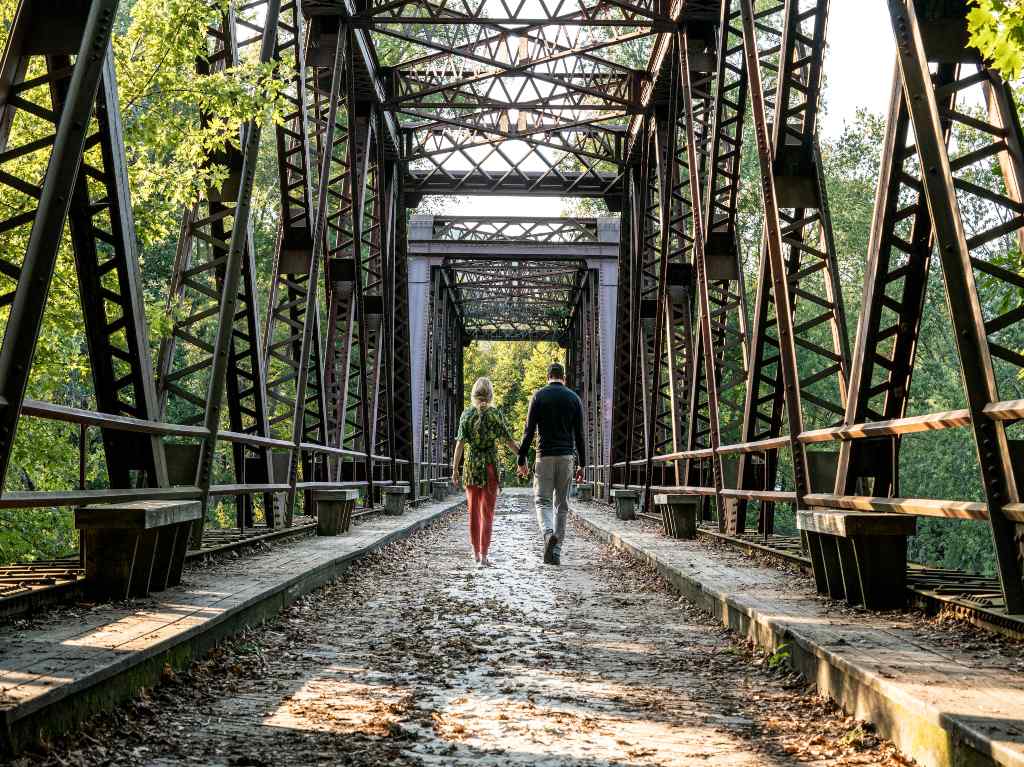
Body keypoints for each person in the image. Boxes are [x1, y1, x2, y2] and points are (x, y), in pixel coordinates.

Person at [516, 362, 585, 565]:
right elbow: (579, 435)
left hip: (544, 456)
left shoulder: (538, 396)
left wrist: (521, 459)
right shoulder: (574, 398)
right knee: (561, 505)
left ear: (548, 376)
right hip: (566, 457)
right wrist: (582, 464)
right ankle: (556, 552)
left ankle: (547, 534)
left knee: (542, 501)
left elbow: (529, 431)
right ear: (563, 377)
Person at [452, 377, 519, 569]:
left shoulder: (466, 415)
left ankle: (475, 554)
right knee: (487, 513)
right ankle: (484, 556)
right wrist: (522, 459)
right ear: (490, 395)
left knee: (473, 512)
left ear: (473, 394)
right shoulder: (495, 415)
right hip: (490, 467)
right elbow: (509, 442)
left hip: (472, 467)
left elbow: (460, 444)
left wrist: (455, 469)